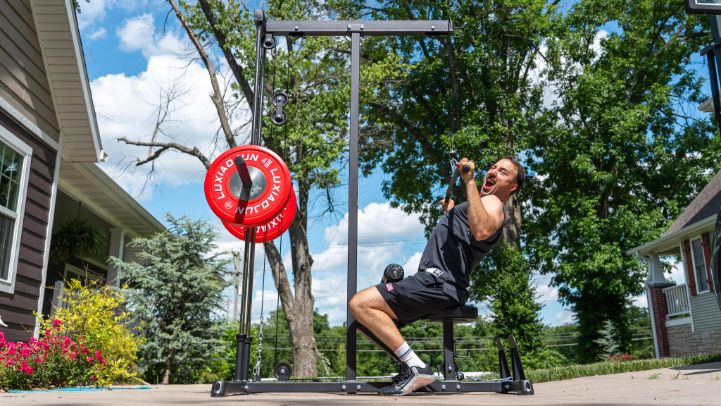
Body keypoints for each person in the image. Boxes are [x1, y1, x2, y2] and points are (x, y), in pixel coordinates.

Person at [348, 156, 525, 396]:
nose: (494, 171)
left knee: (360, 303)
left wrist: (469, 181)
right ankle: (410, 367)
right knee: (366, 325)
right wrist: (452, 213)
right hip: (437, 283)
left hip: (438, 282)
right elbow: (468, 237)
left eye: (503, 172)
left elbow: (481, 230)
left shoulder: (494, 201)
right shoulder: (480, 206)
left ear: (512, 186)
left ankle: (415, 368)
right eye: (493, 167)